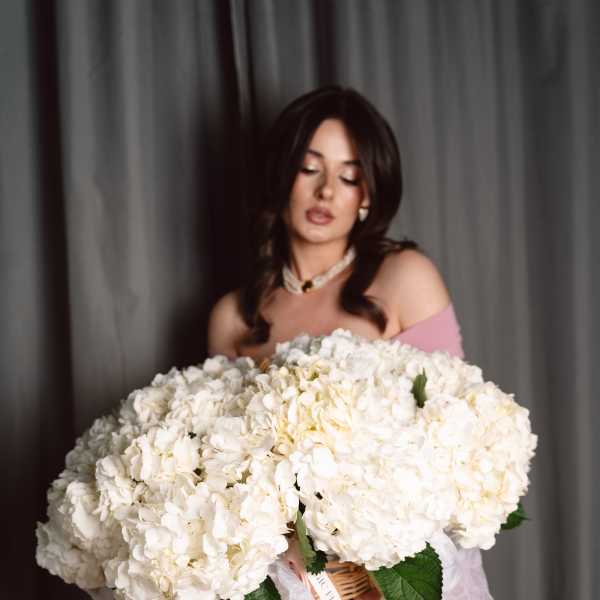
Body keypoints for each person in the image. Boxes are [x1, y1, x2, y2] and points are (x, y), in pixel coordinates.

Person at [207, 85, 492, 599]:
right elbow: (218, 470)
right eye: (309, 168)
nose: (326, 192)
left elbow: (456, 436)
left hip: (393, 563)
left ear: (368, 195)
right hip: (282, 577)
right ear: (280, 175)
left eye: (349, 176)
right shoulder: (234, 316)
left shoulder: (404, 278)